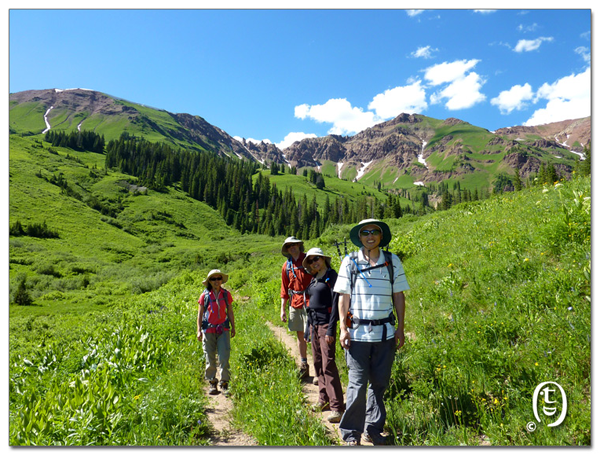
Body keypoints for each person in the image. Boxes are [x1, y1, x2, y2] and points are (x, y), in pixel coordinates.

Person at [333, 219, 410, 445]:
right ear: (359, 236)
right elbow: (343, 298)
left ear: (380, 236)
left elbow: (399, 296)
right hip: (357, 335)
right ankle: (350, 433)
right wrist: (343, 328)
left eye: (374, 232)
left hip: (385, 334)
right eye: (365, 232)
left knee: (379, 383)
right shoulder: (349, 261)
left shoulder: (392, 261)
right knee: (357, 385)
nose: (369, 236)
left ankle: (373, 429)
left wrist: (401, 328)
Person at [303, 247, 345, 423]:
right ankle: (323, 399)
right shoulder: (314, 280)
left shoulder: (331, 277)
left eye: (317, 259)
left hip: (326, 324)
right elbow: (309, 305)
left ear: (324, 259)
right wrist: (307, 328)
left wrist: (331, 329)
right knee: (318, 363)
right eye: (311, 260)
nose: (314, 263)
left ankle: (337, 407)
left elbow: (336, 304)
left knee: (328, 364)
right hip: (314, 325)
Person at [197, 269, 236, 396]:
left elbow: (230, 311)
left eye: (219, 278)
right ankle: (212, 382)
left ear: (221, 280)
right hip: (208, 329)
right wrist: (198, 330)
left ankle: (224, 383)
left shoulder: (226, 294)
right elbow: (200, 314)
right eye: (213, 279)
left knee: (224, 356)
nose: (216, 281)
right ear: (209, 281)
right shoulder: (204, 296)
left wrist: (233, 326)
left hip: (223, 329)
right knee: (209, 356)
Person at [280, 236, 313, 379]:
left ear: (299, 245)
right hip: (295, 302)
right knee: (300, 335)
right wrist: (282, 309)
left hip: (311, 301)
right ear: (287, 249)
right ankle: (304, 365)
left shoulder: (309, 260)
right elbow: (284, 289)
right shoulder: (286, 266)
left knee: (313, 335)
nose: (292, 247)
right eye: (289, 246)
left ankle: (319, 370)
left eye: (294, 244)